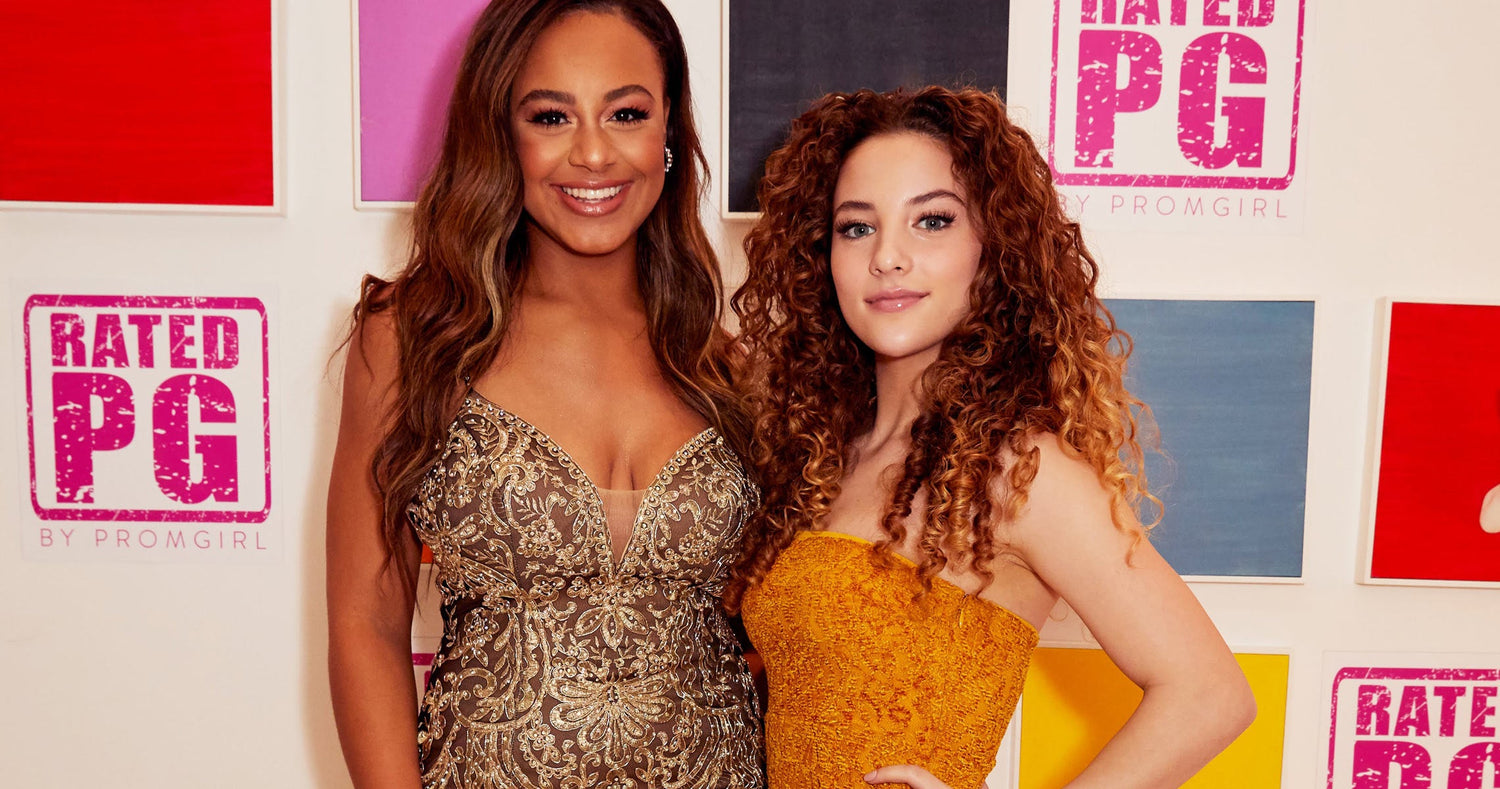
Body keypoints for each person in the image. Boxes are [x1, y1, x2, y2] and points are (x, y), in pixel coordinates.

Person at [727, 86, 1255, 789]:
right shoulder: (823, 454)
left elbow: (1211, 695)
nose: (887, 256)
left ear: (992, 248)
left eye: (932, 221)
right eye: (857, 227)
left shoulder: (1018, 469)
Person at [326, 2, 763, 787]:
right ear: (502, 132)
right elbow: (366, 622)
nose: (593, 153)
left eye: (626, 113)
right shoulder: (414, 339)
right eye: (551, 115)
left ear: (669, 132)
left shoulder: (727, 363)